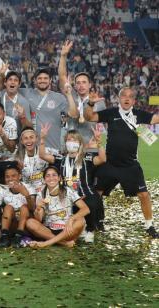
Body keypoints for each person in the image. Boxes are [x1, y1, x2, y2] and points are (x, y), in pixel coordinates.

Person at [84, 87, 159, 238]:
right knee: (96, 193)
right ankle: (96, 222)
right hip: (109, 163)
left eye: (130, 96)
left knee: (144, 194)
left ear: (134, 101)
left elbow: (155, 119)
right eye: (123, 95)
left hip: (130, 165)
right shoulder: (111, 112)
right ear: (118, 98)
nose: (126, 98)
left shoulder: (138, 114)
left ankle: (149, 225)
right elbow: (89, 117)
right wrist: (91, 104)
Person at [39, 127, 106, 243]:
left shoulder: (87, 157)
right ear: (65, 143)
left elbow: (102, 159)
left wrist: (99, 142)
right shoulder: (60, 158)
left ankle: (90, 230)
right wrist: (42, 139)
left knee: (90, 202)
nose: (71, 142)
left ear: (80, 143)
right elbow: (43, 155)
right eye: (69, 139)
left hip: (86, 192)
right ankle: (78, 228)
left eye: (75, 140)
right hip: (68, 195)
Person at [18, 67, 78, 153]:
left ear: (50, 80)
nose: (43, 80)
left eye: (45, 78)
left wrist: (68, 95)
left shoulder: (59, 97)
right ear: (34, 80)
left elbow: (74, 114)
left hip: (53, 148)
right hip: (32, 148)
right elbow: (10, 88)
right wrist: (1, 75)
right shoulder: (26, 93)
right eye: (39, 78)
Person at [26, 166, 89, 248]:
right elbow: (39, 220)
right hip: (49, 230)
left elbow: (86, 209)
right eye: (48, 176)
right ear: (44, 179)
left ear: (59, 178)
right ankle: (64, 243)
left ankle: (46, 243)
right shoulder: (41, 193)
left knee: (81, 220)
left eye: (54, 175)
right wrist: (38, 208)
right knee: (30, 222)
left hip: (67, 229)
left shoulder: (68, 191)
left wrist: (71, 219)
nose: (51, 178)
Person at [59, 40, 107, 148]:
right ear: (74, 86)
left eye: (84, 82)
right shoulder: (70, 96)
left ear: (90, 85)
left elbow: (106, 125)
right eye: (78, 83)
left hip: (90, 147)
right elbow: (62, 76)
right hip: (70, 145)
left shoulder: (99, 103)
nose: (81, 85)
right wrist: (63, 56)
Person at [0, 166, 36, 248]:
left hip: (26, 224)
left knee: (24, 207)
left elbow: (32, 209)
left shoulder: (28, 187)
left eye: (13, 176)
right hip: (11, 224)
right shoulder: (2, 189)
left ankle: (18, 236)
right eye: (7, 176)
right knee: (8, 207)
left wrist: (26, 194)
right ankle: (5, 236)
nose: (10, 179)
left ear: (19, 176)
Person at [15, 127, 48, 193]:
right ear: (21, 141)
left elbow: (55, 160)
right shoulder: (18, 156)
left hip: (44, 188)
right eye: (25, 138)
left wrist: (43, 138)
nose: (29, 141)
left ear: (36, 138)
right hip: (26, 190)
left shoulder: (45, 151)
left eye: (31, 137)